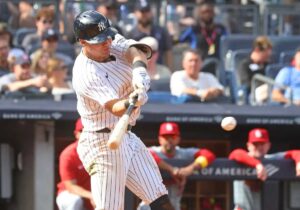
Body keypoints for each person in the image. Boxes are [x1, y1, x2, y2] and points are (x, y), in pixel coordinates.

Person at [72, 10, 175, 210]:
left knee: (160, 200)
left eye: (107, 37)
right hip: (101, 144)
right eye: (98, 41)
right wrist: (132, 100)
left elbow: (137, 51)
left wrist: (139, 70)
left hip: (126, 137)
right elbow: (116, 108)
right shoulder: (86, 74)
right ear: (83, 42)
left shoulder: (109, 38)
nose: (106, 43)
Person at [137, 122, 216, 210]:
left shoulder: (184, 153)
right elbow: (146, 153)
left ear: (178, 139)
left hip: (173, 204)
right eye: (166, 137)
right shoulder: (154, 151)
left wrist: (190, 169)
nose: (169, 140)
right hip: (149, 205)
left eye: (173, 137)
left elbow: (208, 155)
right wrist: (172, 169)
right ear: (160, 139)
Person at [229, 128, 300, 210]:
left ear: (268, 145)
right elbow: (235, 153)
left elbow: (296, 153)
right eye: (255, 144)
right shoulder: (242, 157)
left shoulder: (271, 159)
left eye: (262, 144)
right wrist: (257, 164)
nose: (259, 147)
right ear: (248, 146)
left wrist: (299, 162)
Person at [56, 118, 95, 210]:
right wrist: (92, 196)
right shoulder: (69, 154)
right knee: (74, 201)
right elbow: (70, 186)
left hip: (94, 197)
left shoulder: (101, 152)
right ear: (76, 134)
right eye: (82, 131)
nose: (86, 134)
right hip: (71, 195)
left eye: (89, 131)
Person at [126, 0, 173, 69]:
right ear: (135, 13)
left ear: (151, 12)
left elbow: (168, 52)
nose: (145, 14)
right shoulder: (130, 35)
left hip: (159, 72)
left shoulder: (162, 31)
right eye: (142, 11)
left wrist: (169, 70)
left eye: (147, 11)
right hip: (139, 70)